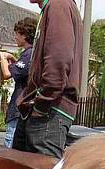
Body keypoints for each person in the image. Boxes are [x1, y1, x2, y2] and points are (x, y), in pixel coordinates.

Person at [12, 0, 82, 158]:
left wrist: (41, 105)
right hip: (45, 109)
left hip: (49, 112)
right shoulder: (57, 5)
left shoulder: (58, 4)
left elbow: (58, 60)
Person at [0, 16, 36, 148]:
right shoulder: (31, 54)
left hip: (18, 110)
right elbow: (20, 68)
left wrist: (2, 56)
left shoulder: (28, 55)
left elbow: (7, 74)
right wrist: (10, 57)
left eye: (17, 34)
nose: (15, 37)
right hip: (23, 111)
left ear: (24, 35)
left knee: (10, 147)